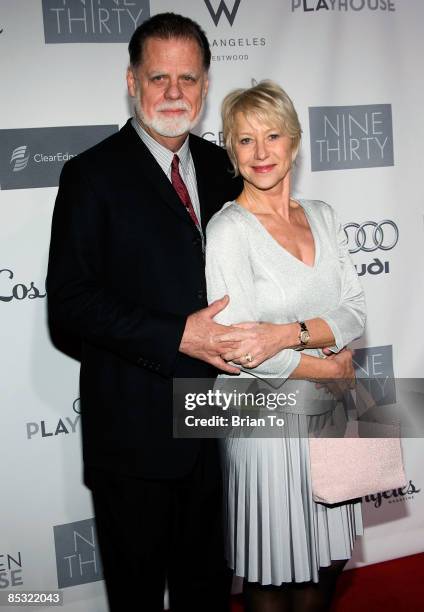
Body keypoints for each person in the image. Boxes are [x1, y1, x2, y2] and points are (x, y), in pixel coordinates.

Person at [46, 12, 250, 612]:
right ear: (131, 81)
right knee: (136, 599)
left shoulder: (222, 168)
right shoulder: (90, 175)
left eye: (188, 79)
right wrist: (176, 335)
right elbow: (72, 302)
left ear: (207, 85)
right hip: (132, 434)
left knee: (206, 592)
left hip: (215, 428)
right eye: (158, 78)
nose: (174, 93)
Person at [205, 80, 366, 612]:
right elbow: (240, 348)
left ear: (294, 142)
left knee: (326, 566)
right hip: (267, 425)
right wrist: (328, 369)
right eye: (245, 140)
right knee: (274, 578)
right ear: (231, 149)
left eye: (272, 136)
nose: (260, 152)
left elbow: (356, 310)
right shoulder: (230, 229)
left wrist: (288, 333)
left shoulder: (323, 214)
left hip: (333, 417)